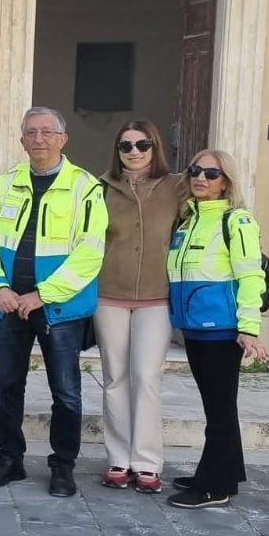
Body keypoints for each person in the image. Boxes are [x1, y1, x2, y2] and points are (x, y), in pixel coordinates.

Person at [0, 106, 108, 497]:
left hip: (58, 308)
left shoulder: (86, 187)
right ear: (21, 140)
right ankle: (10, 460)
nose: (39, 139)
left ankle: (63, 466)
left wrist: (42, 295)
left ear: (63, 139)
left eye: (48, 132)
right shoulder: (6, 183)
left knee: (65, 391)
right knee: (7, 386)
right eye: (31, 132)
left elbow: (91, 251)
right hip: (9, 304)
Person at [166, 149, 269, 509]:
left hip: (222, 330)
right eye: (195, 170)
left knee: (220, 410)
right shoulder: (188, 220)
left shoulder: (236, 221)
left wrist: (249, 327)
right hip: (195, 328)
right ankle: (226, 474)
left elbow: (250, 274)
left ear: (226, 180)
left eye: (212, 173)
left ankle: (213, 487)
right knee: (218, 407)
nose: (201, 178)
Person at [96, 121, 186, 494]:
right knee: (115, 377)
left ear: (155, 147)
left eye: (143, 145)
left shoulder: (176, 187)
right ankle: (119, 457)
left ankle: (147, 461)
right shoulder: (100, 188)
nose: (134, 152)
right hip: (109, 293)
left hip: (156, 296)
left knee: (147, 376)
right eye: (126, 146)